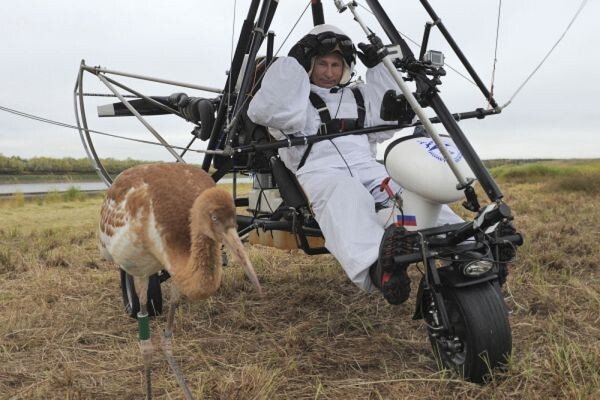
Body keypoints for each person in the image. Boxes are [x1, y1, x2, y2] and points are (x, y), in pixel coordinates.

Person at [247, 24, 462, 304]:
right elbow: (267, 112)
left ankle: (463, 245)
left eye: (336, 64)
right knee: (347, 193)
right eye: (321, 63)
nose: (329, 71)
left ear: (346, 66)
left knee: (408, 190)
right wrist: (292, 67)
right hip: (320, 173)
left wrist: (381, 70)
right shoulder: (294, 99)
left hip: (369, 168)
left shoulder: (358, 95)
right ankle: (380, 267)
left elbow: (389, 120)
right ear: (309, 64)